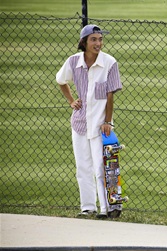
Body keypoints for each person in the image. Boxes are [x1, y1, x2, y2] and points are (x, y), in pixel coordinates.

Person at [56, 24, 122, 218]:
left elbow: (110, 95)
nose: (98, 43)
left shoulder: (109, 63)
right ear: (84, 42)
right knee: (83, 167)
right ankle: (87, 208)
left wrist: (108, 121)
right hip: (79, 124)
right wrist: (71, 100)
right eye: (94, 39)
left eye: (100, 39)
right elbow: (61, 80)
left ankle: (107, 208)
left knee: (102, 167)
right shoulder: (73, 62)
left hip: (101, 126)